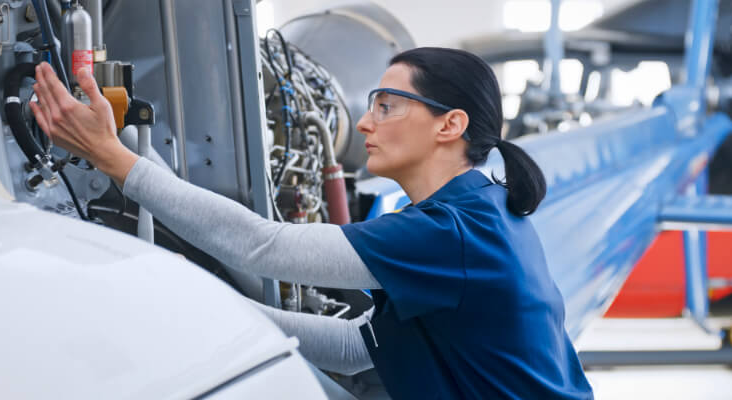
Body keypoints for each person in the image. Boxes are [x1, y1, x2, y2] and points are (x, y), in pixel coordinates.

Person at [30, 47, 593, 399]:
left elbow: (260, 245)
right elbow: (357, 348)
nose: (365, 123)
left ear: (450, 125)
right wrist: (121, 144)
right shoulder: (473, 212)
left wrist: (116, 162)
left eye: (386, 105)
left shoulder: (449, 236)